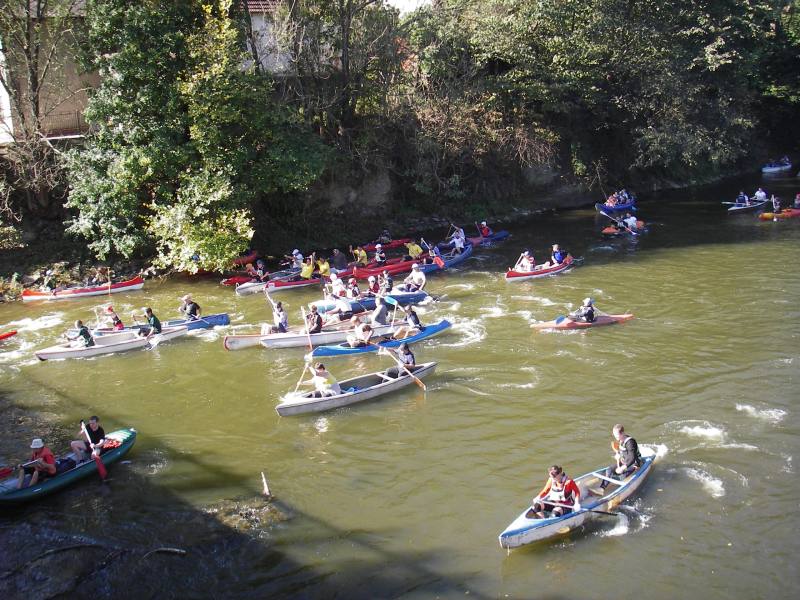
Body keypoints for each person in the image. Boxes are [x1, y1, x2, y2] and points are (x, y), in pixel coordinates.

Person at [597, 424, 642, 492]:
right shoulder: (620, 439)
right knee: (609, 470)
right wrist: (618, 455)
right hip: (624, 461)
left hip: (633, 463)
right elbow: (621, 452)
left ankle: (615, 482)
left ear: (623, 433)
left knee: (621, 476)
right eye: (614, 435)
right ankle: (601, 488)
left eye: (617, 435)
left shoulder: (630, 442)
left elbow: (632, 459)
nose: (615, 437)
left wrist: (622, 468)